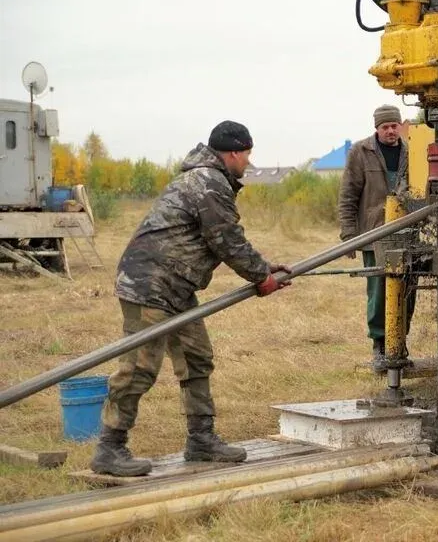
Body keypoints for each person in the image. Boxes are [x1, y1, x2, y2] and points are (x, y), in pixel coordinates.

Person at [90, 121, 292, 477]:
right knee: (139, 367)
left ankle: (201, 440)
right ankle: (110, 447)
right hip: (150, 284)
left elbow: (226, 240)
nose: (247, 162)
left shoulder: (209, 179)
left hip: (176, 286)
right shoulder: (209, 183)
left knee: (197, 358)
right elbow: (227, 240)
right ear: (232, 153)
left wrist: (264, 268)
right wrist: (262, 277)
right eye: (246, 155)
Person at [338, 104, 415, 373]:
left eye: (394, 126)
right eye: (385, 127)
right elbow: (348, 195)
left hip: (408, 233)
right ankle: (380, 347)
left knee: (408, 292)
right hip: (374, 234)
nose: (391, 131)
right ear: (377, 129)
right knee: (379, 292)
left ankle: (399, 345)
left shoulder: (412, 150)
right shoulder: (360, 152)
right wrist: (350, 236)